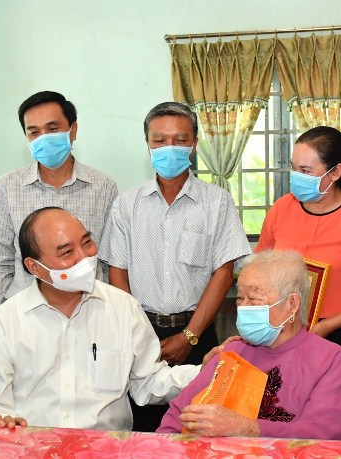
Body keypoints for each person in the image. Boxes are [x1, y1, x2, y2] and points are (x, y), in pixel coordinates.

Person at [0, 207, 199, 430]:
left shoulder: (123, 308)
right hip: (33, 446)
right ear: (34, 267)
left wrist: (208, 371)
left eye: (87, 242)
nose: (84, 257)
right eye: (67, 252)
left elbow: (149, 382)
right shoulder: (2, 324)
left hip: (107, 446)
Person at [98, 102, 251, 431]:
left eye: (180, 140)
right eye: (159, 140)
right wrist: (139, 335)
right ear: (148, 144)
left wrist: (189, 336)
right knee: (144, 430)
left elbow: (223, 273)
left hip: (199, 331)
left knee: (200, 427)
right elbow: (117, 272)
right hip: (140, 332)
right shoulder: (127, 204)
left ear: (194, 144)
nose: (170, 148)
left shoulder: (217, 202)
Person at [254, 125, 341, 427]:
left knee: (328, 427)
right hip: (278, 335)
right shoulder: (281, 209)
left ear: (335, 173)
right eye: (293, 168)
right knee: (274, 422)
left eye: (306, 170)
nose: (296, 176)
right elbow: (259, 270)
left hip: (335, 337)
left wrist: (328, 326)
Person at [158, 250, 341, 439]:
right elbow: (174, 421)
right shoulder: (232, 352)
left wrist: (246, 428)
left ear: (292, 304)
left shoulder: (329, 359)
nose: (243, 308)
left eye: (253, 299)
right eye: (240, 298)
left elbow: (323, 432)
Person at [0, 91, 118, 312]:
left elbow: (109, 260)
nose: (43, 138)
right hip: (25, 312)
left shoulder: (103, 186)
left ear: (73, 130)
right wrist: (0, 314)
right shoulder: (7, 187)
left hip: (89, 310)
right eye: (34, 132)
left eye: (52, 129)